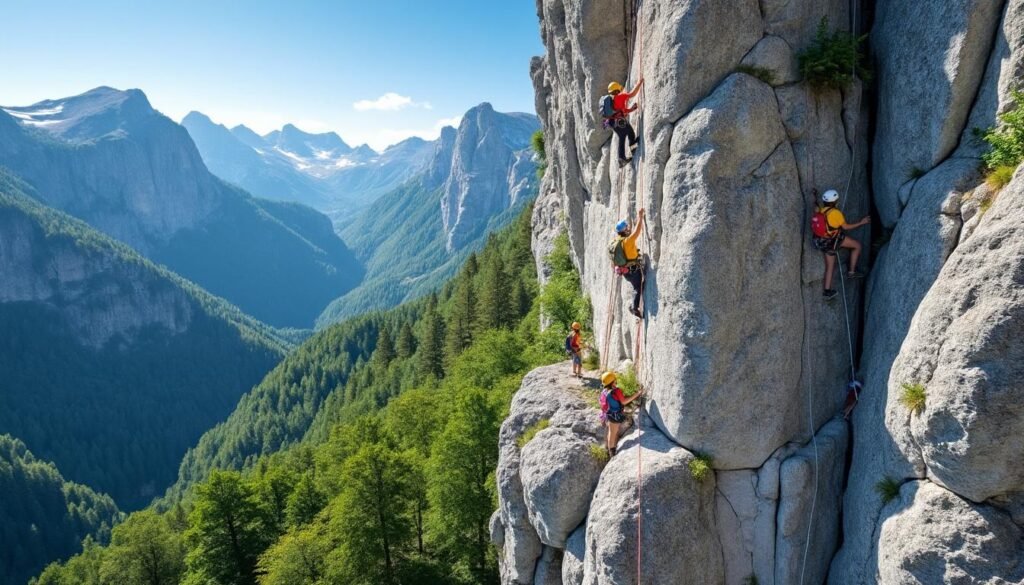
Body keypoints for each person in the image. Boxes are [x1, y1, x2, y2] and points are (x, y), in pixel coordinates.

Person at [811, 189, 870, 300]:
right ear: (835, 202)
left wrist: (814, 196)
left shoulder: (821, 210)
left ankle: (827, 291)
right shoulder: (836, 213)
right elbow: (846, 227)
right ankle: (851, 272)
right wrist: (862, 222)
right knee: (857, 246)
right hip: (833, 240)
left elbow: (816, 206)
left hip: (821, 241)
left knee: (830, 266)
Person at [608, 208, 646, 318]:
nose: (629, 229)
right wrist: (640, 217)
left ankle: (633, 306)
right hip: (633, 270)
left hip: (625, 271)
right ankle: (634, 307)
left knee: (637, 286)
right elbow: (637, 231)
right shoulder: (627, 241)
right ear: (624, 230)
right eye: (627, 227)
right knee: (638, 287)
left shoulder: (616, 242)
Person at [599, 370, 644, 457]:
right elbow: (624, 402)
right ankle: (612, 452)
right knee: (612, 433)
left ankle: (609, 449)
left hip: (609, 414)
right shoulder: (616, 391)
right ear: (613, 381)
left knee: (611, 432)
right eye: (615, 379)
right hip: (615, 416)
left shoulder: (604, 391)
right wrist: (637, 394)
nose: (616, 381)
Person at [602, 78, 644, 163]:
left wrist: (632, 109)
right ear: (617, 90)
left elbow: (623, 111)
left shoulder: (611, 100)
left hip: (612, 122)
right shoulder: (621, 97)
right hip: (619, 121)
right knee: (630, 131)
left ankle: (621, 159)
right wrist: (640, 82)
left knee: (622, 136)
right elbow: (633, 94)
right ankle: (632, 148)